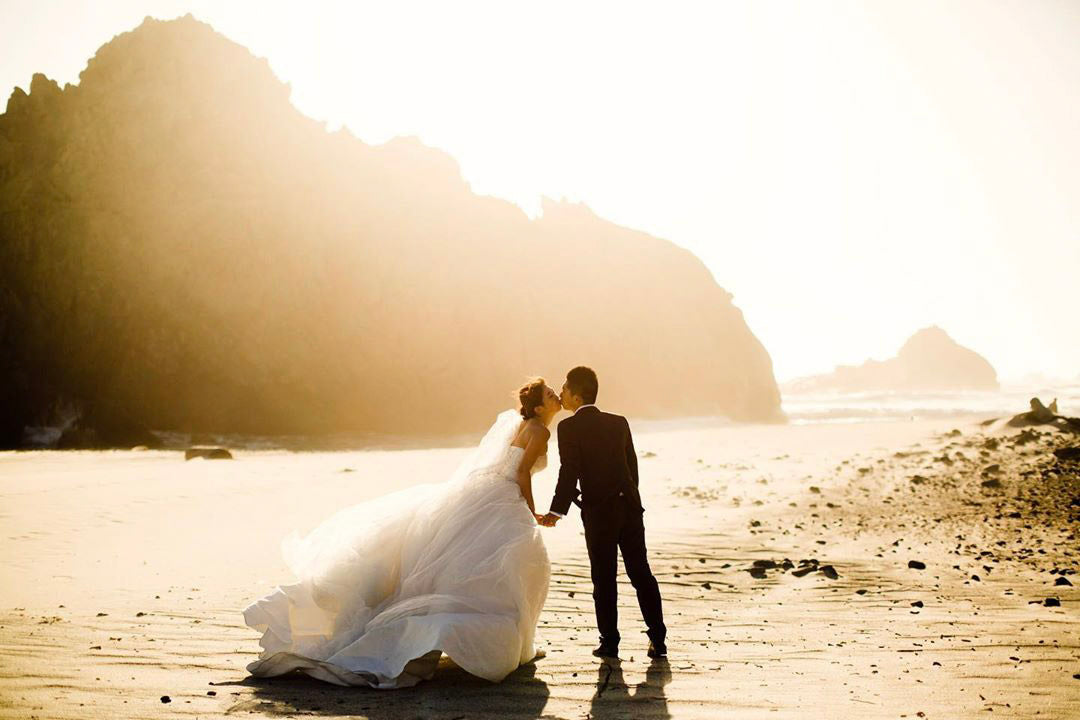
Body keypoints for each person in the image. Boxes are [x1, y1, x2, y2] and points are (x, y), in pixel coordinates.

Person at [242, 380, 560, 688]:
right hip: (501, 496)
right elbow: (520, 472)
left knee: (477, 559)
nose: (556, 394)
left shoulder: (519, 425)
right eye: (549, 393)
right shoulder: (540, 430)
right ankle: (486, 637)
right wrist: (532, 512)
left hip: (485, 490)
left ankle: (477, 630)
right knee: (504, 560)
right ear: (539, 405)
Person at [538, 366, 667, 659]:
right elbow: (631, 467)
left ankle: (610, 642)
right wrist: (629, 498)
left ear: (576, 393)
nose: (561, 393)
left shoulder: (568, 428)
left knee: (604, 578)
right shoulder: (618, 422)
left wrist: (557, 511)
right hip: (630, 508)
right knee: (641, 573)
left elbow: (569, 470)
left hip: (599, 512)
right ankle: (658, 639)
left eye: (565, 389)